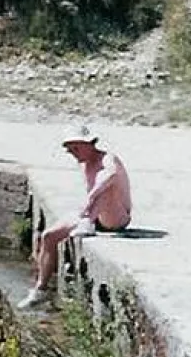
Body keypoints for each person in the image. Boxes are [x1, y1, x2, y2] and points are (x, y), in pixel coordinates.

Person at [19, 125, 131, 310]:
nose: (74, 154)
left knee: (106, 186)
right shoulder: (83, 163)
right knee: (48, 236)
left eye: (76, 148)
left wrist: (91, 198)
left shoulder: (108, 158)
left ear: (88, 144)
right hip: (93, 214)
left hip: (115, 217)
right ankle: (41, 289)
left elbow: (110, 175)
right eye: (70, 151)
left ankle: (88, 220)